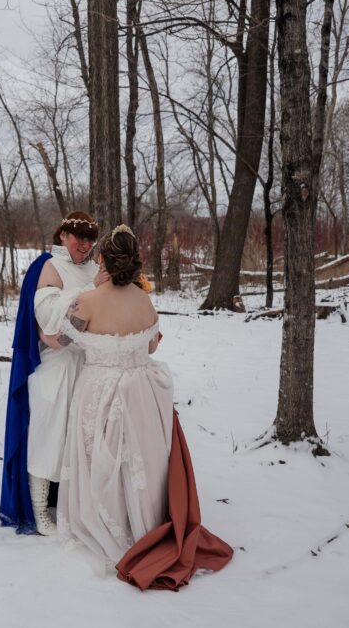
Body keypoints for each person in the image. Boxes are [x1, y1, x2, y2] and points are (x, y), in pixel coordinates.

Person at [50, 224, 234, 590]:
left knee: (101, 456)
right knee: (137, 459)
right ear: (133, 263)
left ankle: (105, 520)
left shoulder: (86, 302)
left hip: (99, 389)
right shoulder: (145, 301)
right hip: (141, 392)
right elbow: (151, 346)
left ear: (104, 261)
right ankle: (140, 520)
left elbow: (60, 341)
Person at [0, 212, 104, 535]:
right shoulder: (48, 266)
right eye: (78, 238)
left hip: (86, 363)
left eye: (90, 240)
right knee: (49, 433)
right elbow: (49, 328)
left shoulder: (94, 269)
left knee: (76, 437)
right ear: (63, 236)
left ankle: (68, 503)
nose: (84, 246)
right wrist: (90, 294)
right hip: (55, 365)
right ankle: (38, 508)